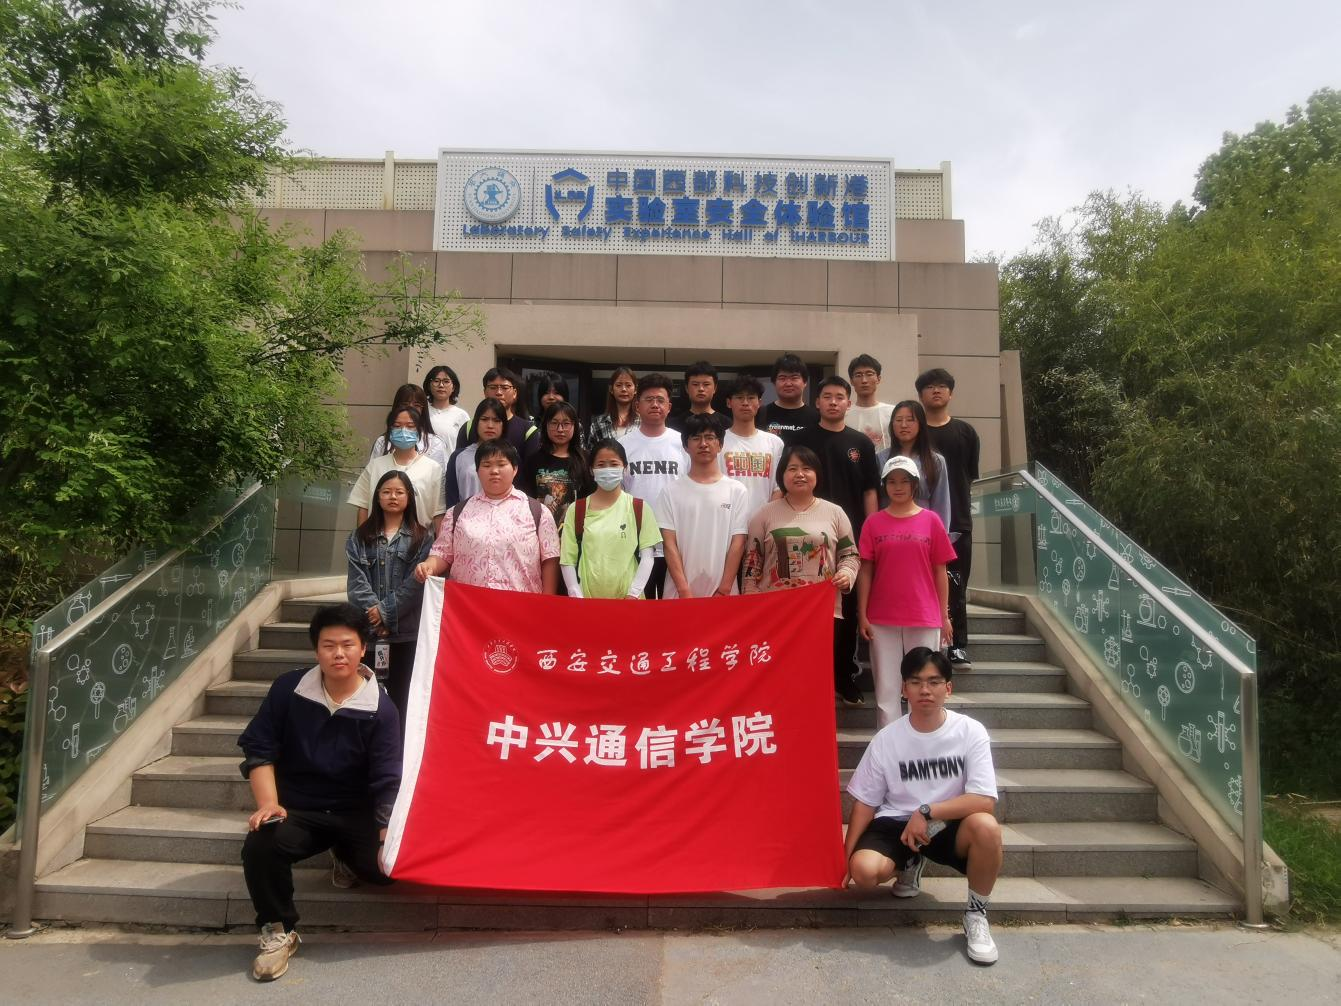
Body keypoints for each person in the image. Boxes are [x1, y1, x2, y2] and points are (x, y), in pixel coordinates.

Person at [238, 603, 401, 981]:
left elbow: (387, 777)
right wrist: (269, 804)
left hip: (355, 812)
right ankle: (278, 930)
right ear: (316, 650)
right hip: (300, 810)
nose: (338, 654)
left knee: (387, 872)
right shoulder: (288, 690)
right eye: (329, 645)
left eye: (347, 644)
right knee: (261, 844)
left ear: (363, 649)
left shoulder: (381, 708)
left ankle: (344, 855)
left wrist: (385, 836)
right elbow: (259, 748)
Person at [844, 647, 1003, 965]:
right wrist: (845, 858)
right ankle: (909, 863)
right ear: (904, 689)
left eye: (934, 681)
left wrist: (927, 811)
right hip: (895, 822)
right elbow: (865, 803)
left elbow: (984, 800)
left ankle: (976, 915)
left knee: (986, 827)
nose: (925, 690)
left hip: (946, 822)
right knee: (863, 871)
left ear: (948, 688)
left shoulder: (969, 732)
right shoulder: (887, 739)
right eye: (916, 682)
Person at [792, 375, 880, 705]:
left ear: (848, 403)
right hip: (807, 537)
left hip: (848, 541)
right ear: (816, 402)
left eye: (839, 397)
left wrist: (870, 533)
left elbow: (870, 491)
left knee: (847, 612)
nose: (832, 402)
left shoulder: (862, 443)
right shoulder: (802, 439)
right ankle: (804, 678)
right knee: (804, 613)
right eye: (826, 396)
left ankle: (844, 676)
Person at [857, 456, 956, 728]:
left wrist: (944, 616)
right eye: (891, 481)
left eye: (904, 481)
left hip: (923, 615)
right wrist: (862, 614)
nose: (898, 487)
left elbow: (940, 571)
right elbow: (865, 571)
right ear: (884, 486)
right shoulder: (873, 523)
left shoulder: (931, 521)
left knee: (923, 686)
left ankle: (923, 740)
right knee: (886, 691)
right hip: (882, 617)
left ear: (915, 485)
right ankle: (888, 746)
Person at [345, 471, 432, 732]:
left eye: (399, 492)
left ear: (409, 497)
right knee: (364, 699)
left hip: (406, 636)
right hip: (369, 634)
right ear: (377, 496)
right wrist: (376, 616)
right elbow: (356, 584)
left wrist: (385, 612)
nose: (392, 497)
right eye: (386, 491)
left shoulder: (423, 538)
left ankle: (398, 752)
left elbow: (416, 585)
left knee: (403, 700)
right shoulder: (359, 537)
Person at [415, 441, 560, 594]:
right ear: (477, 471)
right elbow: (442, 553)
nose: (494, 471)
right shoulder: (456, 513)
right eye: (486, 465)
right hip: (468, 604)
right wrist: (428, 566)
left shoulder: (538, 512)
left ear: (515, 469)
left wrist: (547, 601)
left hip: (521, 604)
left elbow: (550, 560)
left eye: (501, 464)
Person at [741, 445, 859, 626]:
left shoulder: (835, 512)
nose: (800, 474)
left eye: (807, 468)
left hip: (820, 608)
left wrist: (846, 573)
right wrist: (750, 599)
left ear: (817, 474)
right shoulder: (764, 514)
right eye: (792, 469)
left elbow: (850, 555)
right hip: (772, 611)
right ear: (782, 475)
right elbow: (752, 561)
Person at [917, 368, 980, 669]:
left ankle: (957, 645)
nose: (936, 391)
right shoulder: (916, 432)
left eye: (942, 386)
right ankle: (926, 642)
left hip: (958, 521)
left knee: (956, 584)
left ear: (951, 393)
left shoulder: (966, 432)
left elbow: (970, 475)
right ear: (921, 395)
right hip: (919, 522)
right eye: (930, 386)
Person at [657, 414, 749, 598]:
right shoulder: (670, 491)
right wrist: (683, 590)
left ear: (720, 445)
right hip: (679, 595)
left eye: (710, 437)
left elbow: (738, 543)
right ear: (685, 446)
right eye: (696, 438)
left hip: (723, 595)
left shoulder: (737, 490)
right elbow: (669, 544)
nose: (703, 444)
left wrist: (724, 589)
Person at [560, 438, 663, 599]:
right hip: (587, 603)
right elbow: (567, 559)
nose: (607, 470)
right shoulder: (577, 510)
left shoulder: (639, 508)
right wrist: (576, 595)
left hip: (630, 604)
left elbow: (648, 557)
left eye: (614, 464)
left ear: (625, 468)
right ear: (591, 470)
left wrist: (633, 594)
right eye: (601, 465)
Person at [620, 373, 690, 598]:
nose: (655, 405)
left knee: (674, 608)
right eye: (649, 399)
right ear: (637, 406)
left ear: (669, 406)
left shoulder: (684, 444)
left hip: (677, 543)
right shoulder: (623, 446)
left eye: (660, 400)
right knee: (641, 607)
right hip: (635, 544)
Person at [348, 405, 445, 532]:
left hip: (418, 540)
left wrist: (439, 544)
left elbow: (439, 513)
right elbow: (363, 505)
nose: (403, 431)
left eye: (410, 426)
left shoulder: (433, 469)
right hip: (376, 539)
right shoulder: (375, 466)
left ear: (419, 430)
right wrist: (362, 539)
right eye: (397, 426)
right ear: (389, 430)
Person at [876, 399, 950, 529]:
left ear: (921, 424)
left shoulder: (936, 461)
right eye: (898, 420)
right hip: (888, 529)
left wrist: (940, 534)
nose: (904, 425)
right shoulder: (880, 458)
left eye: (910, 420)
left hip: (922, 529)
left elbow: (941, 504)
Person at [720, 374, 785, 522]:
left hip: (764, 522)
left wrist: (765, 520)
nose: (745, 403)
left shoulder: (774, 443)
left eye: (750, 398)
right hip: (726, 521)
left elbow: (778, 487)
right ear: (729, 403)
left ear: (759, 402)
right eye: (739, 398)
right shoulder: (718, 441)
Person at [522, 400, 593, 527]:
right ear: (546, 426)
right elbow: (526, 499)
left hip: (576, 530)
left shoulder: (586, 459)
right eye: (554, 423)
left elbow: (592, 498)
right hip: (541, 528)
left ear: (575, 426)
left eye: (566, 424)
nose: (560, 429)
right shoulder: (534, 460)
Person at [454, 366, 540, 459]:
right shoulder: (469, 427)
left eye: (505, 387)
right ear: (485, 392)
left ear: (514, 393)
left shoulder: (528, 431)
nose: (499, 392)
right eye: (493, 387)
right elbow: (459, 461)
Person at [366, 384, 448, 471]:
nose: (410, 409)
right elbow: (373, 473)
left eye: (416, 405)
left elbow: (440, 475)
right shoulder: (382, 442)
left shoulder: (434, 443)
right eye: (405, 404)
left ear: (423, 409)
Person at [445, 398, 509, 507]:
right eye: (484, 419)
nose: (490, 425)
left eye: (496, 420)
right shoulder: (458, 457)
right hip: (466, 516)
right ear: (476, 422)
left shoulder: (511, 456)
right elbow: (451, 498)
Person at [760, 353, 818, 446]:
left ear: (805, 382)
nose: (788, 383)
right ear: (774, 383)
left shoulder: (817, 418)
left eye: (794, 378)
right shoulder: (761, 414)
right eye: (782, 378)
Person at [847, 354, 895, 453]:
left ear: (878, 379)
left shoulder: (893, 412)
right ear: (851, 381)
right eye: (858, 375)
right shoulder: (844, 414)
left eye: (869, 374)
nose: (864, 380)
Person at [670, 360, 726, 434]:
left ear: (715, 388)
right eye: (695, 384)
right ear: (687, 388)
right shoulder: (673, 425)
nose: (701, 389)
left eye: (706, 384)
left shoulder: (727, 425)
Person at [588, 365, 640, 443]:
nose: (624, 389)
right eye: (619, 385)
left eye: (628, 385)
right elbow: (591, 450)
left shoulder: (644, 421)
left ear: (635, 389)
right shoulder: (598, 423)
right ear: (611, 389)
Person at [422, 365, 470, 448]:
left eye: (446, 381)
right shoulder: (422, 412)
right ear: (429, 386)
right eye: (436, 381)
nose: (441, 385)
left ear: (453, 387)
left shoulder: (461, 415)